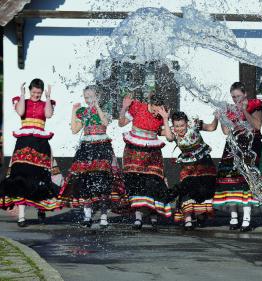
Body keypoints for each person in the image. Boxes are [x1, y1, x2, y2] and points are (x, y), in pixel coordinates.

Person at [214, 82, 262, 232]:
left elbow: (257, 126)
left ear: (245, 94)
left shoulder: (254, 105)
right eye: (233, 97)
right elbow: (226, 131)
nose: (235, 99)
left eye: (238, 96)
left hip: (251, 146)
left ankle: (246, 219)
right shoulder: (230, 109)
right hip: (233, 147)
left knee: (248, 181)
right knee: (230, 181)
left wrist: (245, 111)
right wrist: (221, 118)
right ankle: (233, 218)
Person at [58, 85, 126, 228]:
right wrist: (73, 111)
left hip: (102, 147)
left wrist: (97, 107)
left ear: (98, 97)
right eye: (86, 97)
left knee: (103, 181)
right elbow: (74, 130)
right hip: (87, 148)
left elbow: (105, 122)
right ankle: (87, 215)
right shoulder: (83, 112)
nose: (88, 100)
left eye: (91, 97)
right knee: (86, 180)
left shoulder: (105, 110)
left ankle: (103, 216)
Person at [0, 79, 62, 227]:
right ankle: (21, 216)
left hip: (40, 143)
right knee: (21, 176)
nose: (36, 95)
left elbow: (48, 115)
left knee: (40, 177)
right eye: (34, 92)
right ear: (30, 90)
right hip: (24, 142)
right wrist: (22, 94)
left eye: (39, 93)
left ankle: (41, 208)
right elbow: (20, 112)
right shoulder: (22, 101)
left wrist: (47, 97)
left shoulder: (46, 102)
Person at [118, 93, 175, 230]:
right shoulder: (138, 107)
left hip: (152, 153)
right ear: (150, 104)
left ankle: (153, 216)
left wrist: (166, 119)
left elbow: (169, 138)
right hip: (134, 152)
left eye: (159, 109)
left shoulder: (162, 114)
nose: (157, 112)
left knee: (153, 183)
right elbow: (121, 123)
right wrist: (124, 108)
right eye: (155, 109)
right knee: (136, 183)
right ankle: (138, 218)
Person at [163, 111, 218, 230]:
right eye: (177, 126)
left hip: (204, 162)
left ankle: (201, 214)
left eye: (182, 125)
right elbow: (168, 137)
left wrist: (217, 116)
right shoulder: (172, 130)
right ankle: (187, 218)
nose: (180, 129)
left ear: (187, 123)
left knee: (203, 188)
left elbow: (212, 127)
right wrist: (164, 119)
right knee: (185, 187)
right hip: (187, 164)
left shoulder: (195, 124)